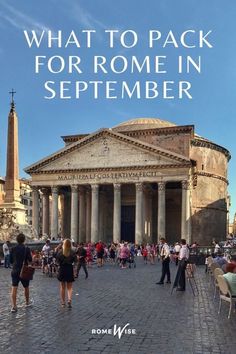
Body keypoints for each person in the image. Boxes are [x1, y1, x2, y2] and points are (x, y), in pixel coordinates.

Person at [9, 233, 32, 313]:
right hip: (24, 270)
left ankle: (14, 306)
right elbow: (30, 259)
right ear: (24, 240)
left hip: (15, 270)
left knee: (14, 288)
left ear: (17, 240)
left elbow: (11, 261)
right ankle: (27, 302)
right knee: (26, 287)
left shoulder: (13, 249)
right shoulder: (27, 249)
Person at [57, 239, 77, 308]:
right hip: (69, 269)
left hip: (62, 269)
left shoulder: (60, 252)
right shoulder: (72, 252)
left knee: (62, 287)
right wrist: (74, 270)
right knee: (69, 287)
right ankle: (69, 300)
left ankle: (63, 302)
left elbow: (57, 261)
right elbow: (75, 261)